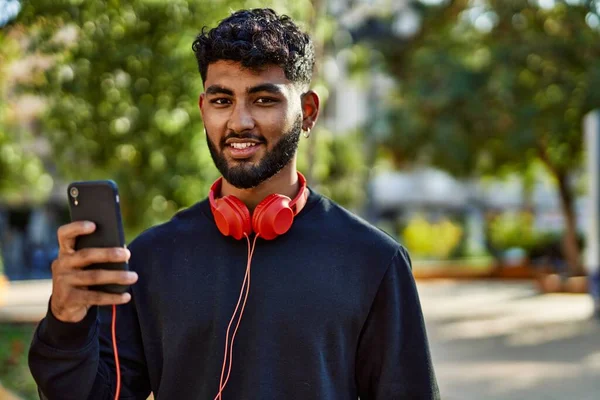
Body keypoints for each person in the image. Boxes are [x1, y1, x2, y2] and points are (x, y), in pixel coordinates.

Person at [28, 8, 439, 400]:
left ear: (308, 112)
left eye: (263, 100)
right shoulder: (150, 259)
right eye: (222, 100)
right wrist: (66, 319)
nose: (239, 122)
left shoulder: (373, 260)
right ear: (203, 109)